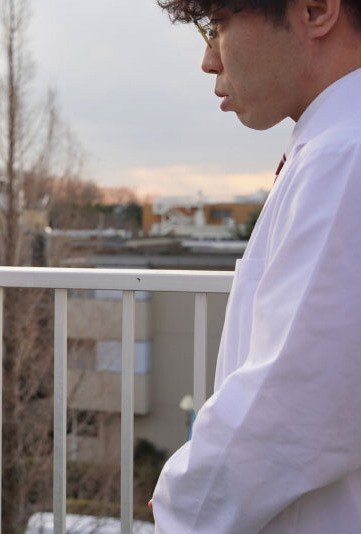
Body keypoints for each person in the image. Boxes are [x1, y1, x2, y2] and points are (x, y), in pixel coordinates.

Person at [151, 0, 361, 532]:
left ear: (315, 10)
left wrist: (183, 505)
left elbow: (296, 400)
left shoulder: (343, 157)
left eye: (218, 24)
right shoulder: (333, 147)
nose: (209, 60)